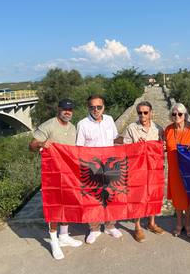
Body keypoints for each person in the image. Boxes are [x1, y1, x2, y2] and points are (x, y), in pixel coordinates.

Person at [29, 98, 83, 260]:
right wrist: (41, 144)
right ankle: (53, 240)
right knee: (55, 206)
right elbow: (31, 145)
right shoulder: (49, 125)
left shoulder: (73, 128)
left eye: (70, 109)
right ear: (58, 109)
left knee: (67, 203)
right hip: (53, 174)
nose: (68, 112)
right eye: (65, 109)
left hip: (69, 174)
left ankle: (64, 235)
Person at [76, 94, 123, 244]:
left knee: (111, 195)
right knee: (93, 198)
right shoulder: (82, 124)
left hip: (110, 165)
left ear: (103, 107)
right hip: (92, 168)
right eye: (92, 107)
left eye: (99, 107)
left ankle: (110, 226)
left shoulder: (109, 120)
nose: (96, 110)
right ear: (88, 108)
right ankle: (94, 229)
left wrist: (133, 141)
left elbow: (115, 138)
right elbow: (79, 148)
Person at [122, 101, 165, 242]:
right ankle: (137, 227)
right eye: (140, 112)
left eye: (145, 112)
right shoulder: (131, 128)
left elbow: (163, 147)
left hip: (154, 168)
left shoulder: (158, 129)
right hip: (137, 169)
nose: (142, 115)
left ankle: (152, 223)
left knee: (153, 194)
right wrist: (137, 147)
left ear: (151, 113)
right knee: (138, 197)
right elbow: (125, 149)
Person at [164, 103, 190, 237]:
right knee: (177, 198)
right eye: (174, 114)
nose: (176, 116)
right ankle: (179, 223)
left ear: (185, 115)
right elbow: (164, 146)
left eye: (180, 114)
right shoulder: (168, 130)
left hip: (189, 169)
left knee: (188, 197)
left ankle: (188, 223)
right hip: (174, 169)